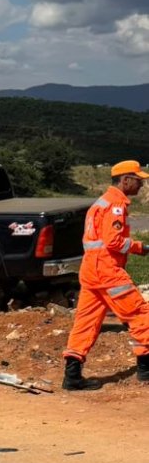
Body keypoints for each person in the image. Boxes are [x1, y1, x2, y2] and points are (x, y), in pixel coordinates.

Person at [62, 159, 149, 389]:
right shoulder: (115, 205)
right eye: (138, 180)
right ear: (125, 180)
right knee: (140, 314)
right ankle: (146, 368)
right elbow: (113, 241)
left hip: (91, 270)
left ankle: (72, 376)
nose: (141, 185)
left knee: (86, 321)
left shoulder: (100, 204)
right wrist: (139, 247)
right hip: (107, 270)